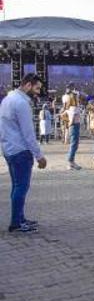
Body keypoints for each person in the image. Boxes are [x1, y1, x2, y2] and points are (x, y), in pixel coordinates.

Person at [0, 73, 48, 233]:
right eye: (37, 88)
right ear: (28, 85)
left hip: (9, 149)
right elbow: (28, 134)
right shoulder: (21, 103)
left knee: (16, 186)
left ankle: (19, 218)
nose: (38, 92)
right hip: (21, 151)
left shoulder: (7, 100)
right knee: (21, 187)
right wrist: (39, 156)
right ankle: (16, 223)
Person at [65, 97, 83, 170]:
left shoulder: (69, 108)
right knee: (74, 145)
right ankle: (70, 161)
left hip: (74, 126)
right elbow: (72, 118)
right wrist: (70, 123)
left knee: (74, 144)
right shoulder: (74, 108)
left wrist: (67, 122)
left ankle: (71, 161)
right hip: (75, 125)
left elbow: (62, 115)